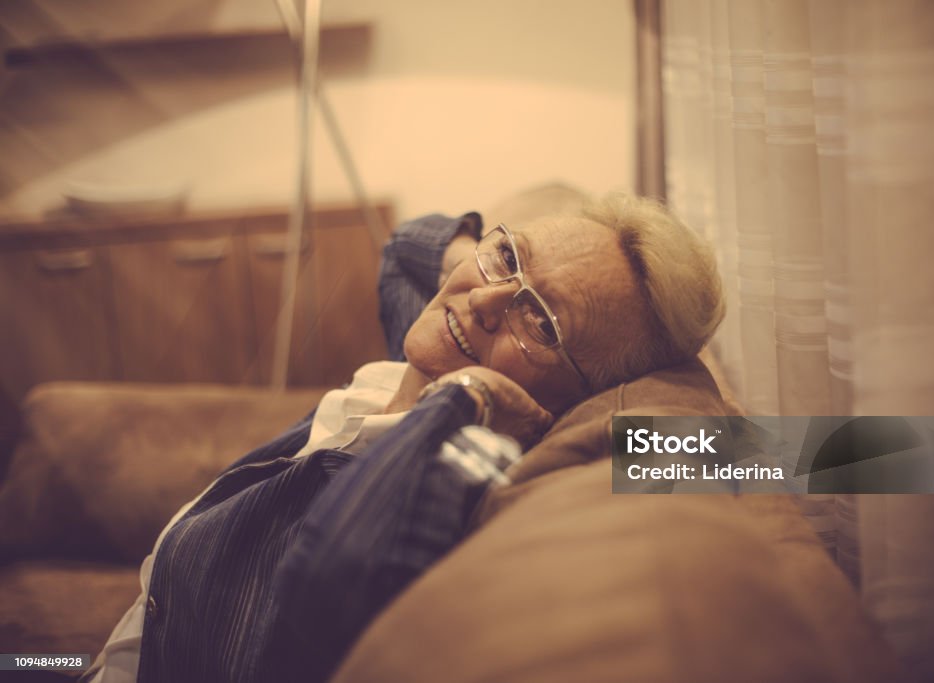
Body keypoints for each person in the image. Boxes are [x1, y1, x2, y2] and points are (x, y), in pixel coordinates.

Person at [83, 192, 725, 683]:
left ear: (572, 401)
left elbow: (811, 456)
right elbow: (405, 248)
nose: (485, 304)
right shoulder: (424, 352)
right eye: (509, 256)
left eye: (542, 320)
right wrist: (490, 266)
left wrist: (461, 400)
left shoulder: (457, 463)